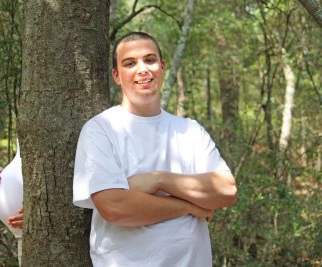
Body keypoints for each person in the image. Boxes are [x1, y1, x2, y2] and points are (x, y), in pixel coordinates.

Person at [72, 32, 237, 266]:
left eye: (149, 60)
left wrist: (158, 180)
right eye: (130, 63)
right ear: (117, 76)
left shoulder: (190, 130)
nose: (142, 69)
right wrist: (187, 206)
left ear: (162, 66)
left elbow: (227, 190)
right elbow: (114, 207)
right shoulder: (100, 129)